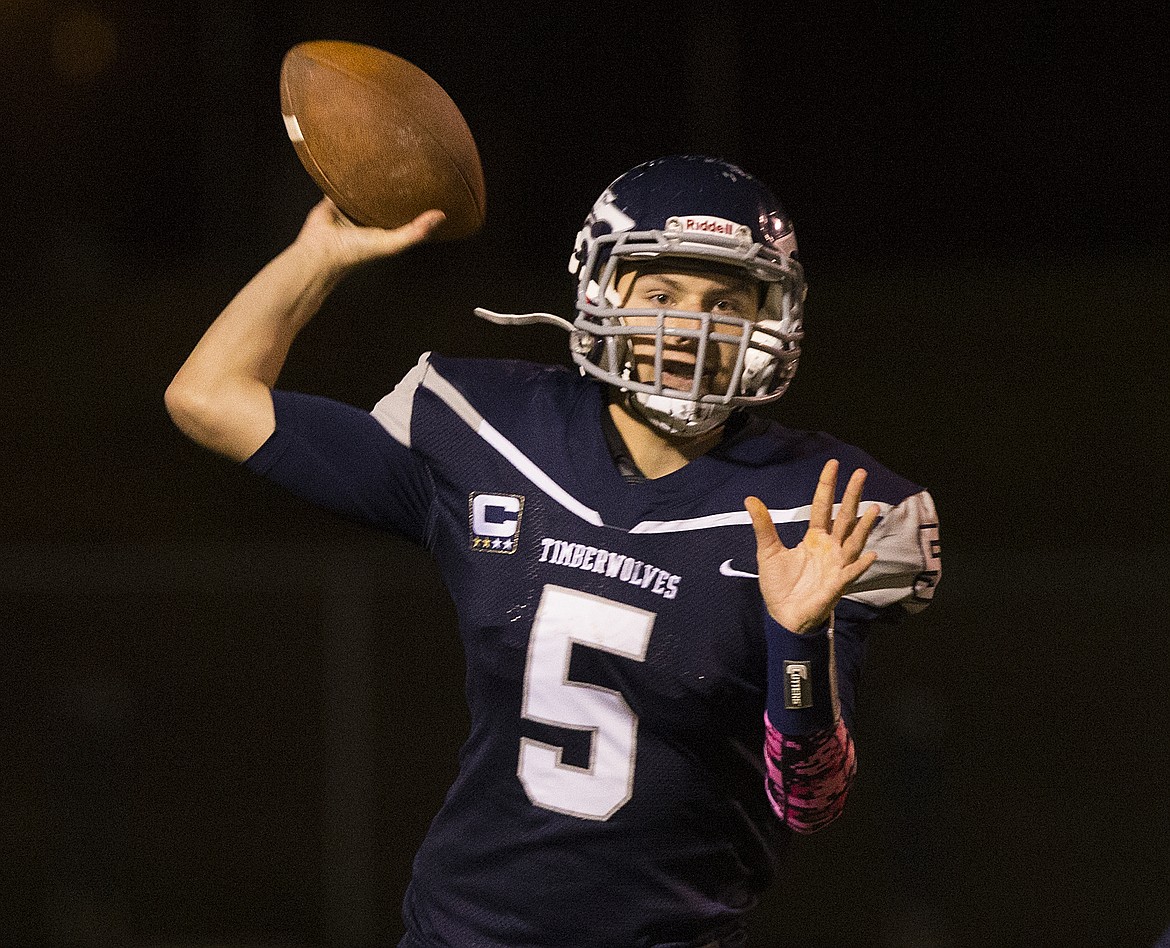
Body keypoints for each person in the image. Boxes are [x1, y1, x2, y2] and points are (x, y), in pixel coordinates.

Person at [166, 155, 941, 947]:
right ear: (604, 293)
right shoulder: (490, 433)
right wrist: (315, 259)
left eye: (725, 301)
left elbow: (809, 799)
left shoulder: (821, 506)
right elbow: (208, 395)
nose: (689, 325)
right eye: (662, 295)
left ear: (770, 320)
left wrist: (798, 636)